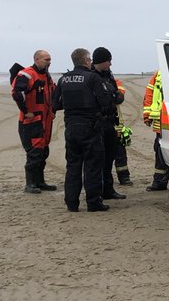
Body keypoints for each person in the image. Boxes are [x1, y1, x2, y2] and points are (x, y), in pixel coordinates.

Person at [53, 48, 113, 211]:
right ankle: (93, 203)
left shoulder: (63, 79)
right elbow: (105, 102)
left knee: (73, 166)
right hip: (90, 127)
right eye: (90, 59)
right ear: (86, 60)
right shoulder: (92, 78)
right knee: (92, 166)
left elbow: (55, 103)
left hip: (71, 127)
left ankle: (72, 203)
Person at [11, 49, 57, 193]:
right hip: (32, 122)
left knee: (43, 152)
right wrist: (26, 111)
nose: (49, 62)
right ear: (37, 59)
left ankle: (40, 182)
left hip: (45, 121)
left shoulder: (47, 76)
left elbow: (53, 93)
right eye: (46, 59)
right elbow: (17, 93)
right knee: (34, 153)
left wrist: (54, 110)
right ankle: (30, 184)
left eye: (50, 59)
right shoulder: (27, 74)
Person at [91, 47, 127, 200]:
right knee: (98, 159)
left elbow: (117, 95)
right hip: (98, 123)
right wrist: (112, 96)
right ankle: (98, 191)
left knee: (109, 158)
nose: (110, 64)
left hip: (110, 122)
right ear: (101, 61)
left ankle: (108, 190)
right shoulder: (92, 77)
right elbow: (101, 99)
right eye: (108, 61)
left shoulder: (108, 75)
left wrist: (115, 96)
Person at [143, 69, 169, 191]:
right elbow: (149, 95)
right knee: (160, 151)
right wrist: (147, 115)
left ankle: (161, 181)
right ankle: (159, 182)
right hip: (161, 120)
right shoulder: (158, 75)